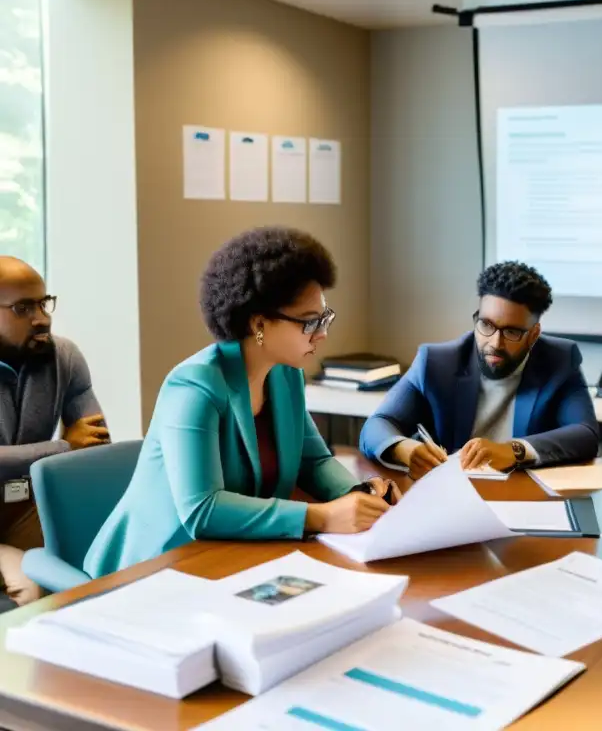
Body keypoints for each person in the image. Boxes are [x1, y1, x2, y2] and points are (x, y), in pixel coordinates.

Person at [84, 228, 399, 578]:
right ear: (259, 323)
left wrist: (359, 492)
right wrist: (322, 516)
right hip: (160, 565)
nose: (322, 333)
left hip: (232, 554)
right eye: (310, 322)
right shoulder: (193, 386)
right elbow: (202, 509)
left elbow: (313, 461)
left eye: (324, 317)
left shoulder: (285, 375)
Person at [359, 261, 599, 479]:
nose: (495, 343)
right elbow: (377, 425)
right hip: (453, 497)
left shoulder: (559, 361)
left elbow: (585, 433)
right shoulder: (436, 363)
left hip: (523, 498)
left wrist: (513, 450)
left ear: (533, 335)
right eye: (486, 324)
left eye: (512, 332)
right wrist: (406, 450)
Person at [0, 256, 108, 606]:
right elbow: (72, 447)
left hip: (29, 505)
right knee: (29, 591)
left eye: (43, 303)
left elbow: (93, 447)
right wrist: (61, 447)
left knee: (108, 565)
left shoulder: (64, 356)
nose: (42, 318)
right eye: (23, 308)